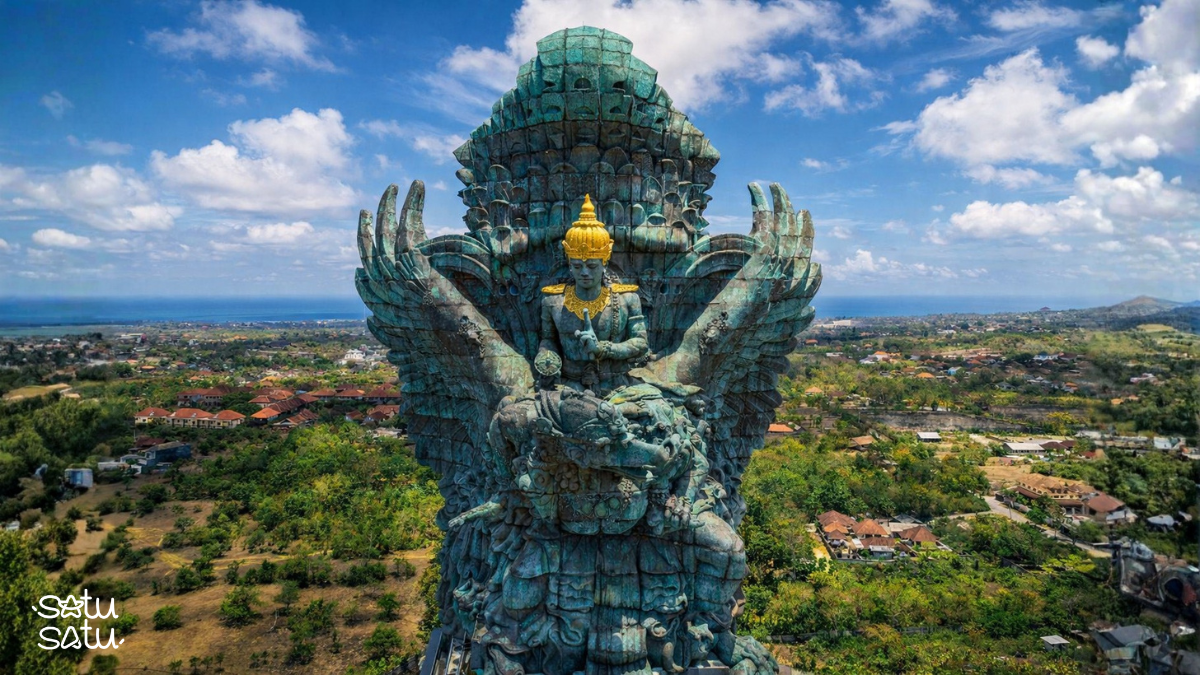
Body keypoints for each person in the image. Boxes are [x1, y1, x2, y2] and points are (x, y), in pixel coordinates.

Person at [535, 194, 646, 395]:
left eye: (592, 266)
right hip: (568, 385)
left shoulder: (626, 299)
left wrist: (603, 349)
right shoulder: (552, 301)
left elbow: (640, 343)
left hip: (615, 385)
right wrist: (547, 359)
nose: (584, 272)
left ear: (604, 264)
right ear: (569, 266)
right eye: (577, 266)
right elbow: (548, 338)